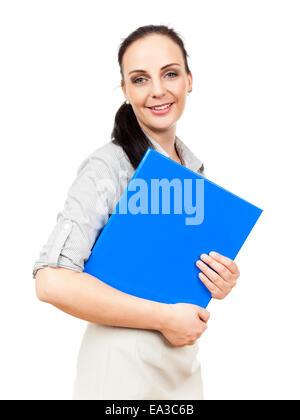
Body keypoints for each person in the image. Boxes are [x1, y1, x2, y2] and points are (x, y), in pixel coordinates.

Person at [33, 24, 240, 400]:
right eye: (140, 79)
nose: (158, 90)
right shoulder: (107, 167)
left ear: (189, 81)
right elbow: (50, 282)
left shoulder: (193, 171)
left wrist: (217, 278)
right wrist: (164, 318)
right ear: (126, 91)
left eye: (170, 74)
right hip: (120, 365)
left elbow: (169, 274)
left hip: (180, 363)